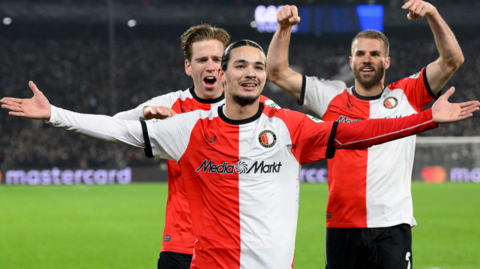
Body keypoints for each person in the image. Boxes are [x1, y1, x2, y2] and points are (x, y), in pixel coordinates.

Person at [2, 40, 478, 269]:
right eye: (239, 67)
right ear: (222, 75)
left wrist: (427, 118)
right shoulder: (188, 128)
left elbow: (358, 133)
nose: (250, 74)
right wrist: (54, 115)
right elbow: (116, 131)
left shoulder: (290, 127)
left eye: (257, 67)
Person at [266, 1, 464, 268]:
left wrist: (433, 14)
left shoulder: (407, 93)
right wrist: (283, 29)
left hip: (392, 226)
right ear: (351, 61)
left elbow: (453, 60)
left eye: (374, 54)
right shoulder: (330, 95)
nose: (367, 59)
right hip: (342, 224)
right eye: (360, 54)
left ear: (387, 61)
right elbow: (276, 72)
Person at [113, 24, 276, 269]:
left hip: (239, 246)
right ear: (189, 67)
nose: (210, 66)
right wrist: (142, 113)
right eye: (201, 60)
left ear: (225, 66)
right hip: (181, 245)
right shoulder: (170, 104)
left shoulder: (259, 106)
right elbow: (114, 127)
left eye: (216, 59)